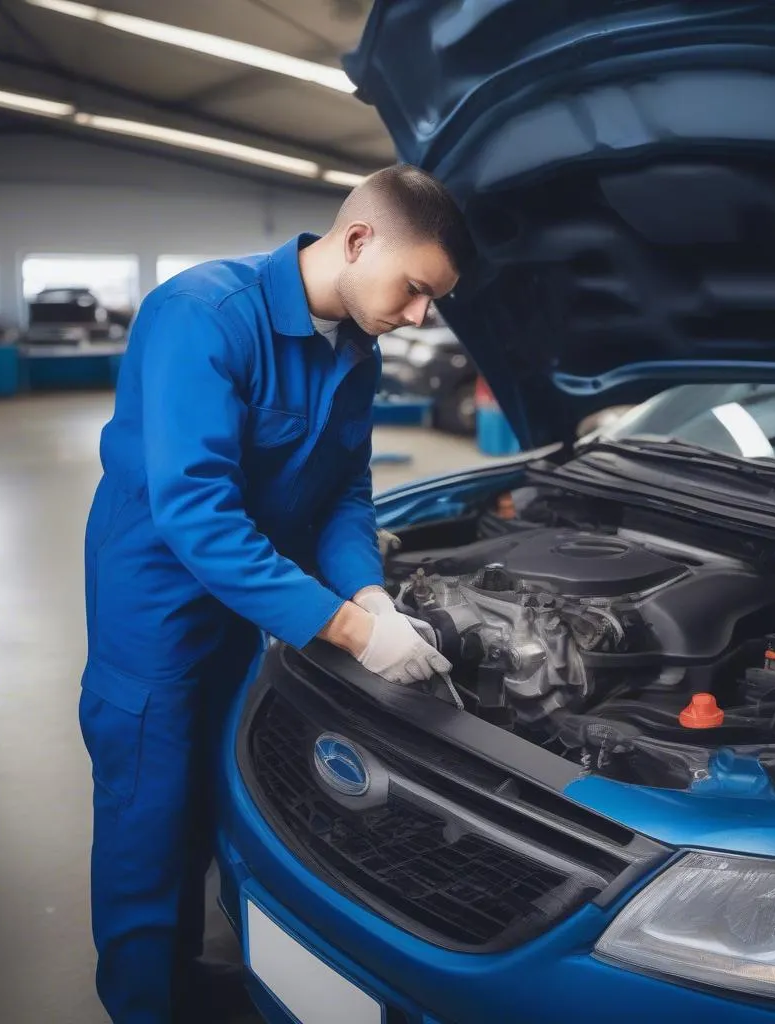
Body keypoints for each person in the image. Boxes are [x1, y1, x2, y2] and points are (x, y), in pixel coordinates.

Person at [79, 164, 472, 1023]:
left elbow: (344, 492)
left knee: (213, 793)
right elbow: (198, 514)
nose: (417, 317)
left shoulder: (356, 352)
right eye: (414, 290)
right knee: (147, 816)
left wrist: (370, 595)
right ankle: (143, 1003)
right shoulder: (205, 316)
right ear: (359, 238)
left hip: (253, 606)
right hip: (157, 612)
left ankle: (183, 973)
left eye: (431, 302)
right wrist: (348, 631)